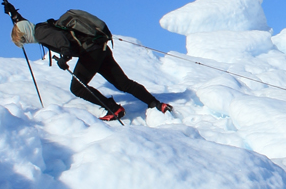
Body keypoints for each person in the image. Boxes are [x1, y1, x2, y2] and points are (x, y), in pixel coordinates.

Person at [11, 12, 172, 121]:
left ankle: (113, 109)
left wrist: (64, 58)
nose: (27, 43)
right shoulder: (39, 28)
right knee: (123, 83)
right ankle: (156, 104)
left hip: (90, 52)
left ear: (26, 34)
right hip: (100, 48)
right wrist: (13, 14)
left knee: (77, 87)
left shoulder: (40, 33)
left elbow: (62, 40)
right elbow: (24, 25)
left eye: (23, 40)